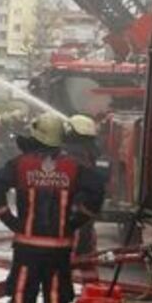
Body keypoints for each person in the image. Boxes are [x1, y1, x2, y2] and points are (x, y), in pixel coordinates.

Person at [0, 113, 105, 303]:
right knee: (56, 297)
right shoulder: (73, 166)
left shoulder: (21, 164)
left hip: (26, 249)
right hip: (59, 250)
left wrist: (10, 220)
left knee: (22, 294)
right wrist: (76, 221)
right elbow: (96, 189)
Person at [63, 115, 103, 274]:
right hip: (86, 207)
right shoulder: (93, 151)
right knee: (86, 247)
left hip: (73, 205)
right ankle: (90, 285)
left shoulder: (67, 153)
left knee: (71, 247)